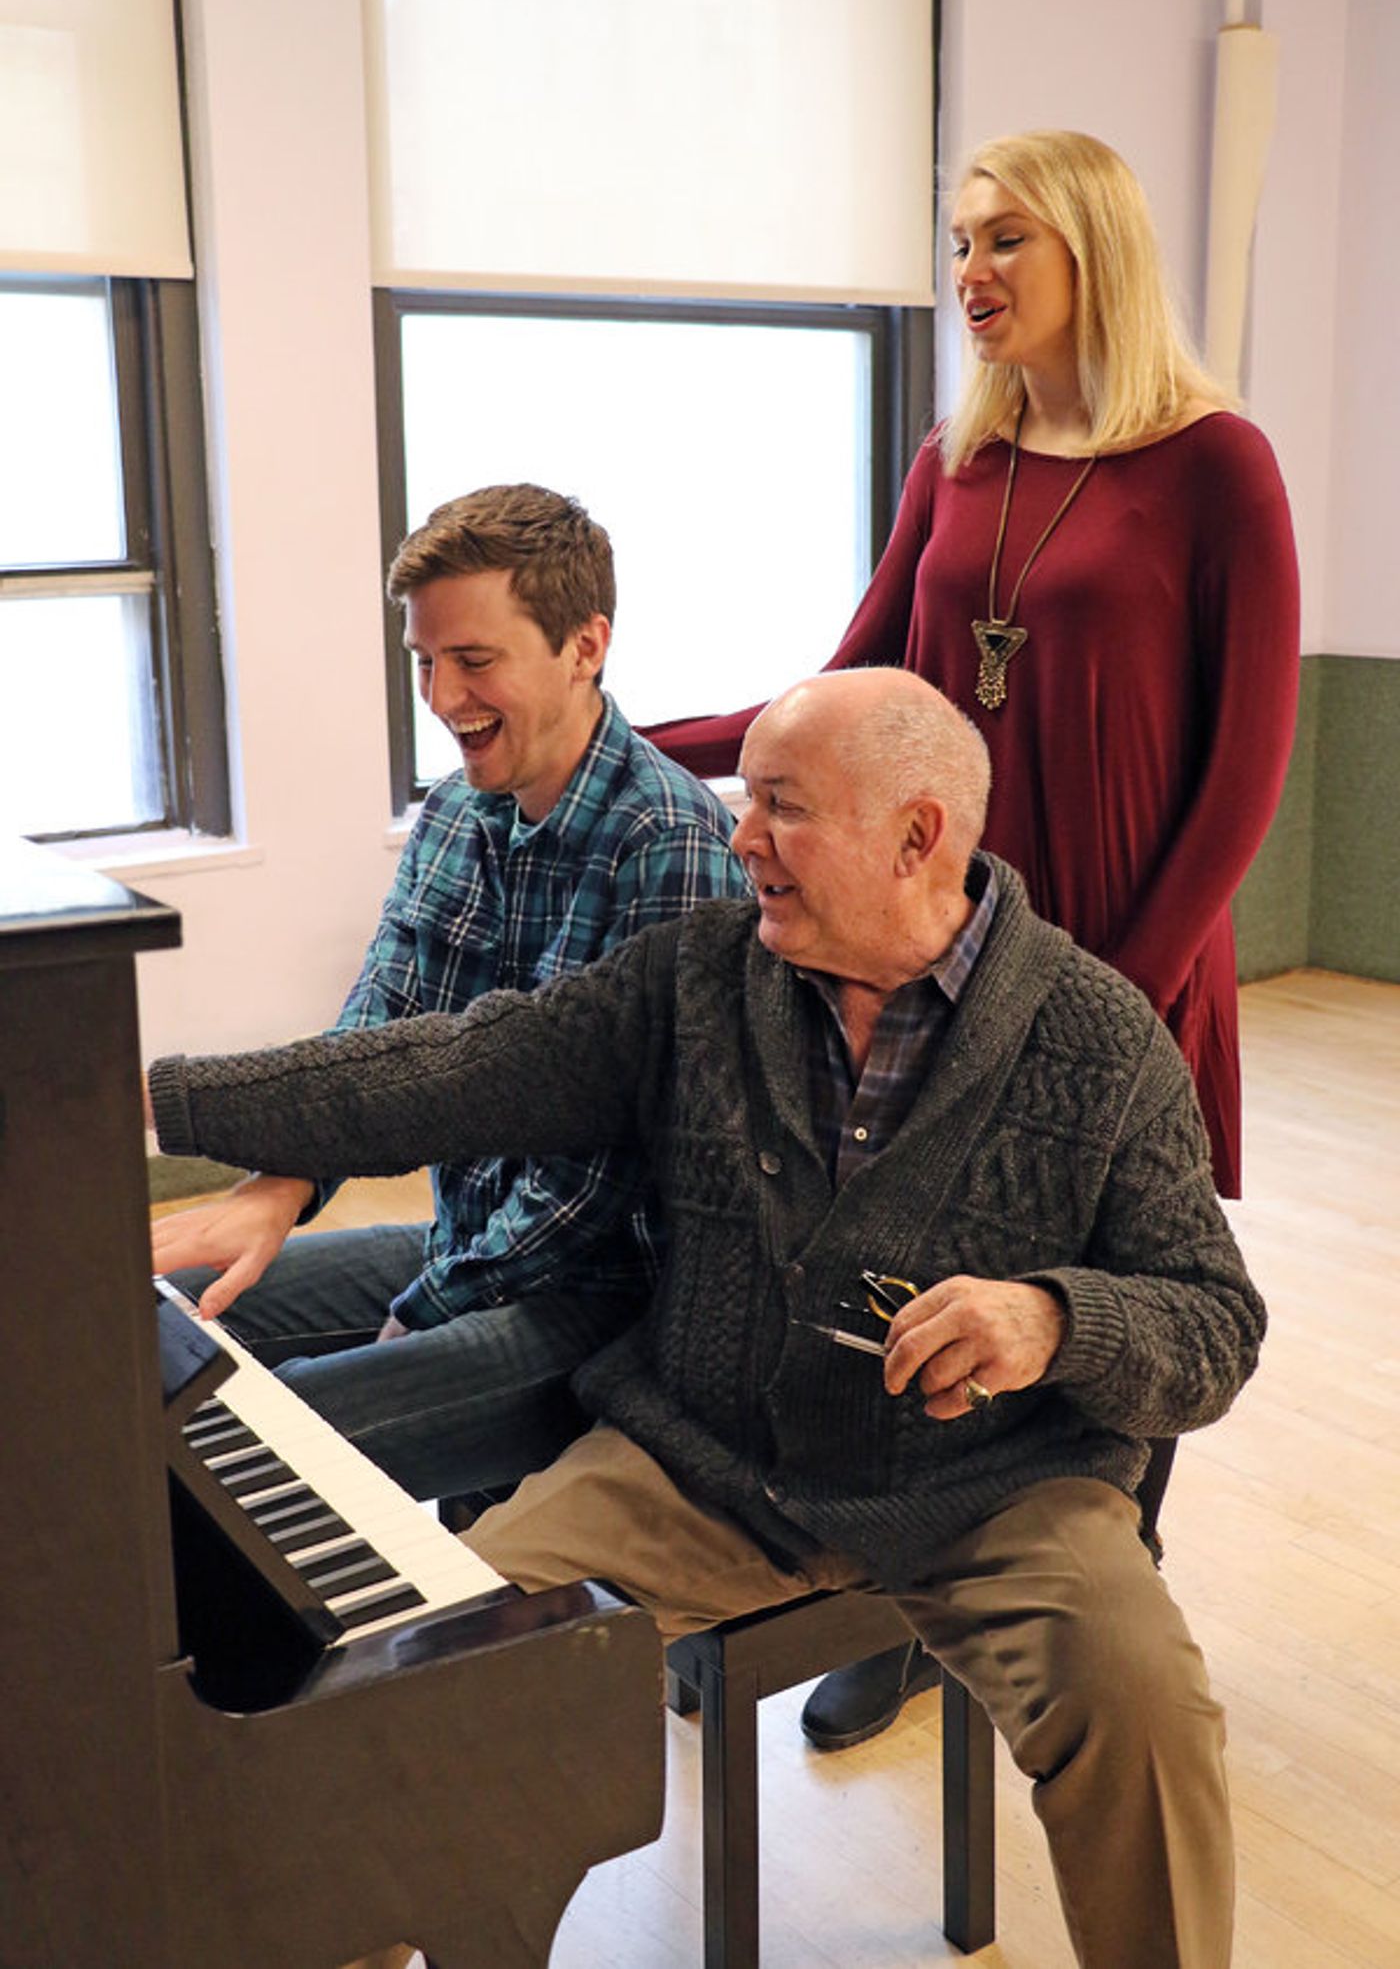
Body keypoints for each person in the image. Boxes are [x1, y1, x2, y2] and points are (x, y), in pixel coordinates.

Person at [149, 668, 1264, 1969]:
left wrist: (1055, 1321)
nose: (737, 839)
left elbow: (1211, 1321)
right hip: (704, 1463)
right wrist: (150, 1101)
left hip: (997, 1492)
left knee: (1146, 1713)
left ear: (917, 838)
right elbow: (446, 1071)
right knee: (423, 1692)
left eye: (781, 809)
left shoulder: (1100, 1041)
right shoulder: (698, 982)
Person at [648, 127, 1299, 1746]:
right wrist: (636, 740)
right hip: (950, 950)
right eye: (958, 242)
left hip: (1128, 956)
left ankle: (1099, 1586)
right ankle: (915, 1602)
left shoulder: (1218, 464)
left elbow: (1244, 776)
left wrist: (1117, 1010)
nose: (970, 274)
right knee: (909, 1267)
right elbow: (855, 679)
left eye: (1007, 241)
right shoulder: (957, 465)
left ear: (1096, 252)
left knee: (1108, 1280)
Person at [152, 482, 747, 1501]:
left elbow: (595, 1180)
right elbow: (382, 1024)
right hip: (472, 1247)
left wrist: (427, 1307)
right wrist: (278, 1189)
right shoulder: (457, 813)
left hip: (610, 1298)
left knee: (252, 1454)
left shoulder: (669, 842)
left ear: (583, 645)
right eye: (425, 662)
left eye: (474, 661)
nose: (440, 697)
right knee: (153, 1330)